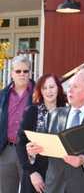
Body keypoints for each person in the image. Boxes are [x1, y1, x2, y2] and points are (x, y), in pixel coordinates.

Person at [26, 73, 84, 193]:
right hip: (55, 186)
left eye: (75, 87)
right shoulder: (54, 114)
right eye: (69, 87)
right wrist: (33, 150)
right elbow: (42, 143)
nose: (70, 90)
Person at [16, 74, 66, 193]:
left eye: (52, 87)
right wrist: (32, 172)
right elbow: (20, 144)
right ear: (40, 91)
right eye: (44, 88)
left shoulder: (67, 112)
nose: (49, 91)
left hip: (60, 175)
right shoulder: (32, 112)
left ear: (58, 88)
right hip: (35, 173)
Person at [0, 55, 34, 193]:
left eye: (25, 71)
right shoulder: (2, 95)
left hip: (29, 152)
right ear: (12, 73)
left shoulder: (38, 93)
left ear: (30, 73)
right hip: (6, 150)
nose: (22, 74)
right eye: (18, 71)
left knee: (31, 190)